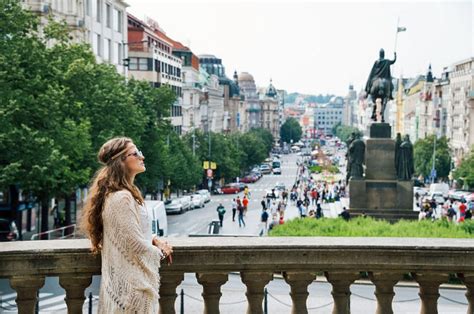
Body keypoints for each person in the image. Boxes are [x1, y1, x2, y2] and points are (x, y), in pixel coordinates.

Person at [81, 137, 173, 313]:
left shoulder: (122, 194)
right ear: (120, 161)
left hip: (126, 293)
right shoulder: (122, 198)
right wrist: (162, 252)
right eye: (136, 153)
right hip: (132, 295)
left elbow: (129, 230)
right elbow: (135, 245)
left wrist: (155, 240)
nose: (142, 157)